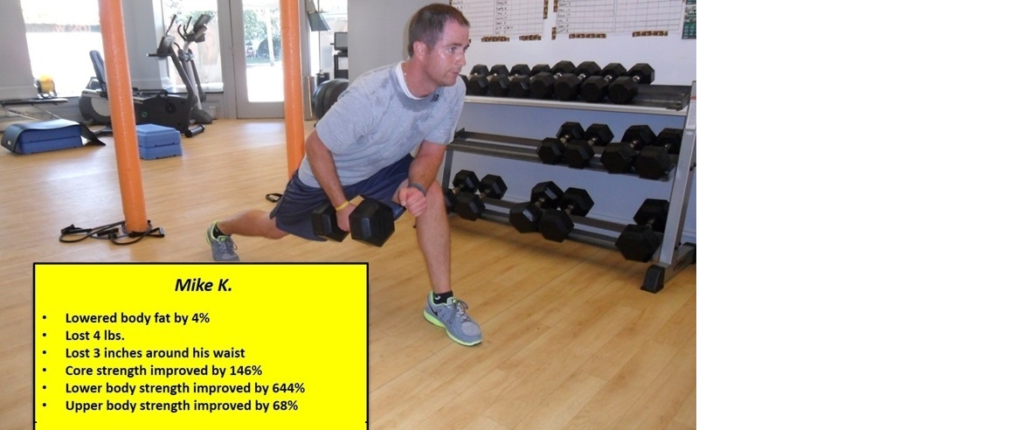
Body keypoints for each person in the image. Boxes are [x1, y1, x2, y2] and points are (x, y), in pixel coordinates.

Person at [205, 4, 480, 346]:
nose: (462, 60)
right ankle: (220, 229)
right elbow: (316, 147)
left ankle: (441, 301)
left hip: (381, 166)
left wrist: (416, 187)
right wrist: (340, 206)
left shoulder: (452, 90)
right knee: (274, 229)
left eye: (464, 48)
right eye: (452, 49)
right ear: (421, 49)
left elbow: (431, 150)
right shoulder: (370, 95)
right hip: (329, 171)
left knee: (432, 194)